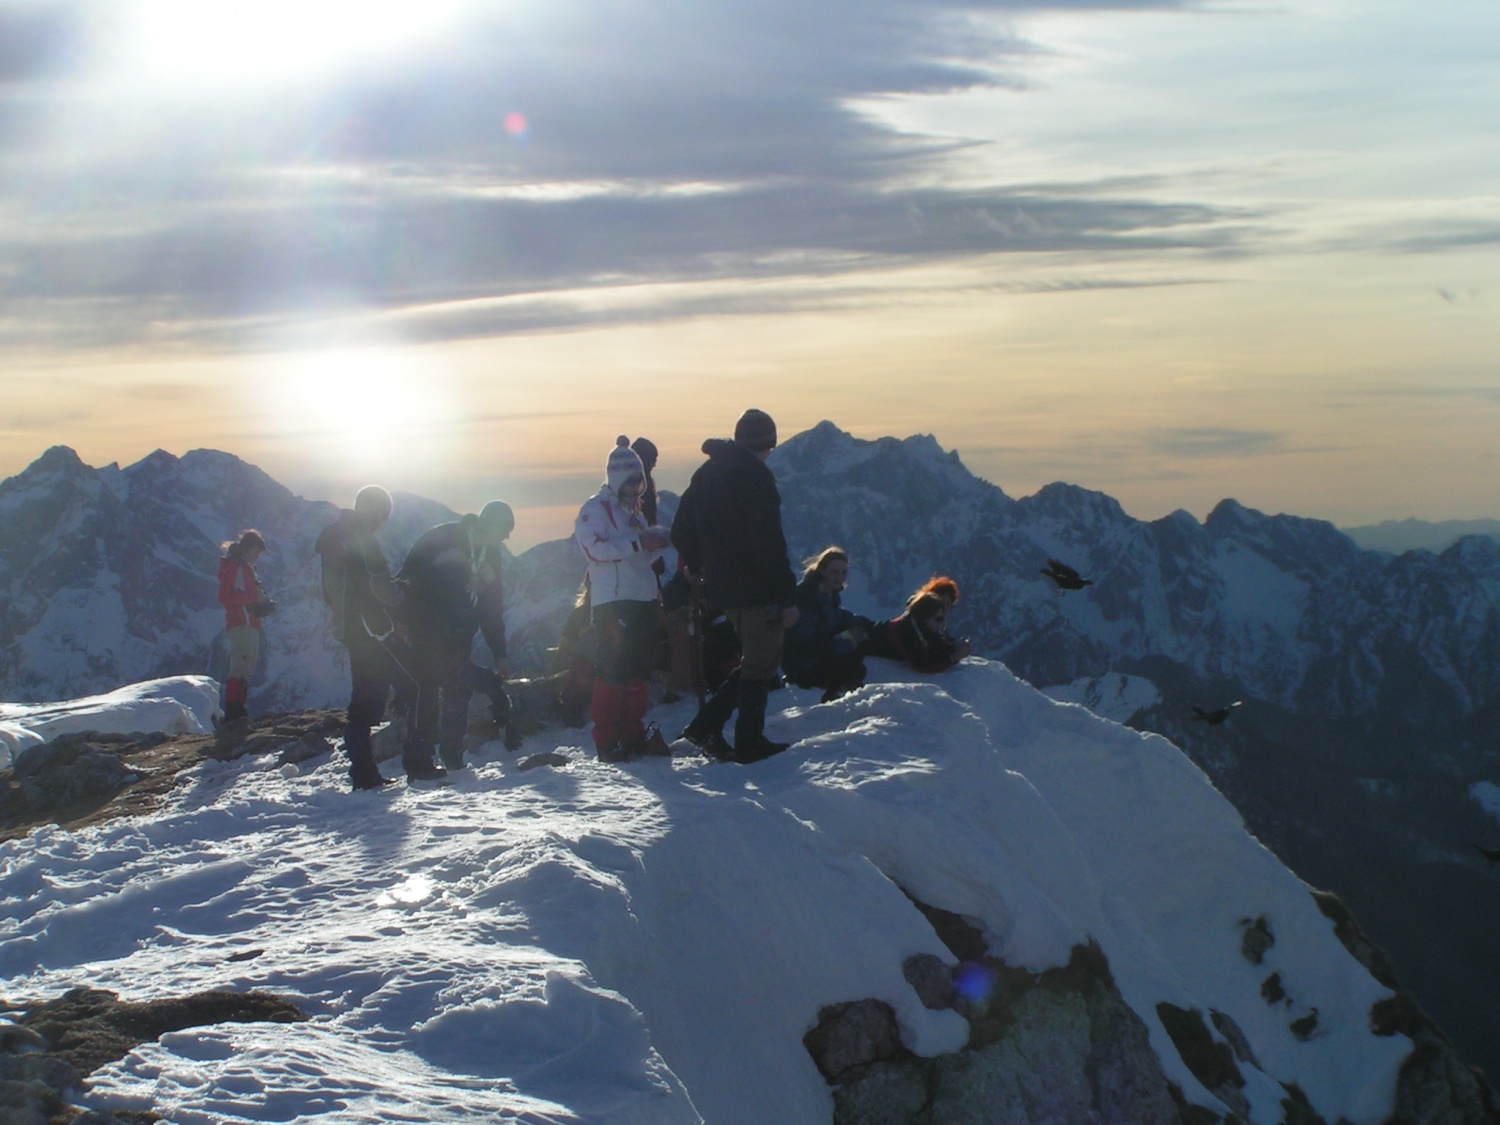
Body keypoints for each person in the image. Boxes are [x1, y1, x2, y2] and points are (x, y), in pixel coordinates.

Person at [671, 408, 799, 763]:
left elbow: (679, 529)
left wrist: (700, 566)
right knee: (760, 665)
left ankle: (706, 727)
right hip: (758, 589)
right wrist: (787, 596)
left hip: (723, 589)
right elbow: (769, 545)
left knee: (753, 661)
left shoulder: (706, 474)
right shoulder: (757, 480)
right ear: (769, 443)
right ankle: (748, 741)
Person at [397, 501, 514, 772]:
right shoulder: (443, 539)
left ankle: (451, 757)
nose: (508, 537)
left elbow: (491, 608)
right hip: (425, 628)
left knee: (457, 690)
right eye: (506, 529)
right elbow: (407, 578)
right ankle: (419, 760)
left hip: (461, 633)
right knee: (429, 688)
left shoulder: (491, 556)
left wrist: (500, 654)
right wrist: (402, 620)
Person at [575, 437, 673, 761]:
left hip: (642, 598)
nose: (635, 489)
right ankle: (606, 739)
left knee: (636, 671)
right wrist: (637, 544)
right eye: (630, 482)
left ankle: (632, 731)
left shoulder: (636, 514)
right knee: (611, 671)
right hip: (613, 601)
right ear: (616, 479)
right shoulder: (593, 511)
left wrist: (656, 545)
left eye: (639, 482)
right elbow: (594, 550)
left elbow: (639, 556)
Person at [315, 485, 412, 790]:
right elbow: (380, 585)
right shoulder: (361, 538)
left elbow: (332, 590)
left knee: (363, 700)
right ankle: (365, 774)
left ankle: (363, 771)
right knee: (384, 694)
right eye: (383, 515)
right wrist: (400, 594)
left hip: (349, 627)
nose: (383, 522)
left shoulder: (336, 537)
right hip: (371, 628)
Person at [783, 547, 874, 703]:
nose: (840, 578)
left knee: (861, 636)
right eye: (835, 572)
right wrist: (841, 644)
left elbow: (838, 617)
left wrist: (863, 625)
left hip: (817, 651)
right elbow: (806, 642)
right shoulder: (806, 596)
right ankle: (835, 685)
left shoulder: (828, 594)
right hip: (803, 664)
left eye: (843, 573)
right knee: (855, 663)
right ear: (822, 570)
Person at [216, 529, 274, 724]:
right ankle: (233, 711)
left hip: (250, 622)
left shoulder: (247, 568)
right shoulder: (235, 566)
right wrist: (251, 599)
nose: (257, 556)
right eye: (256, 552)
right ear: (248, 548)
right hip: (241, 622)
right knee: (240, 667)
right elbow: (225, 596)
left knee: (246, 667)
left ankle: (238, 709)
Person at [866, 590, 971, 673]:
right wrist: (953, 658)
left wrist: (955, 647)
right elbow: (923, 665)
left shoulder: (922, 626)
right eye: (938, 619)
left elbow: (937, 645)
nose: (941, 623)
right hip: (864, 638)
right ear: (925, 617)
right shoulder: (907, 630)